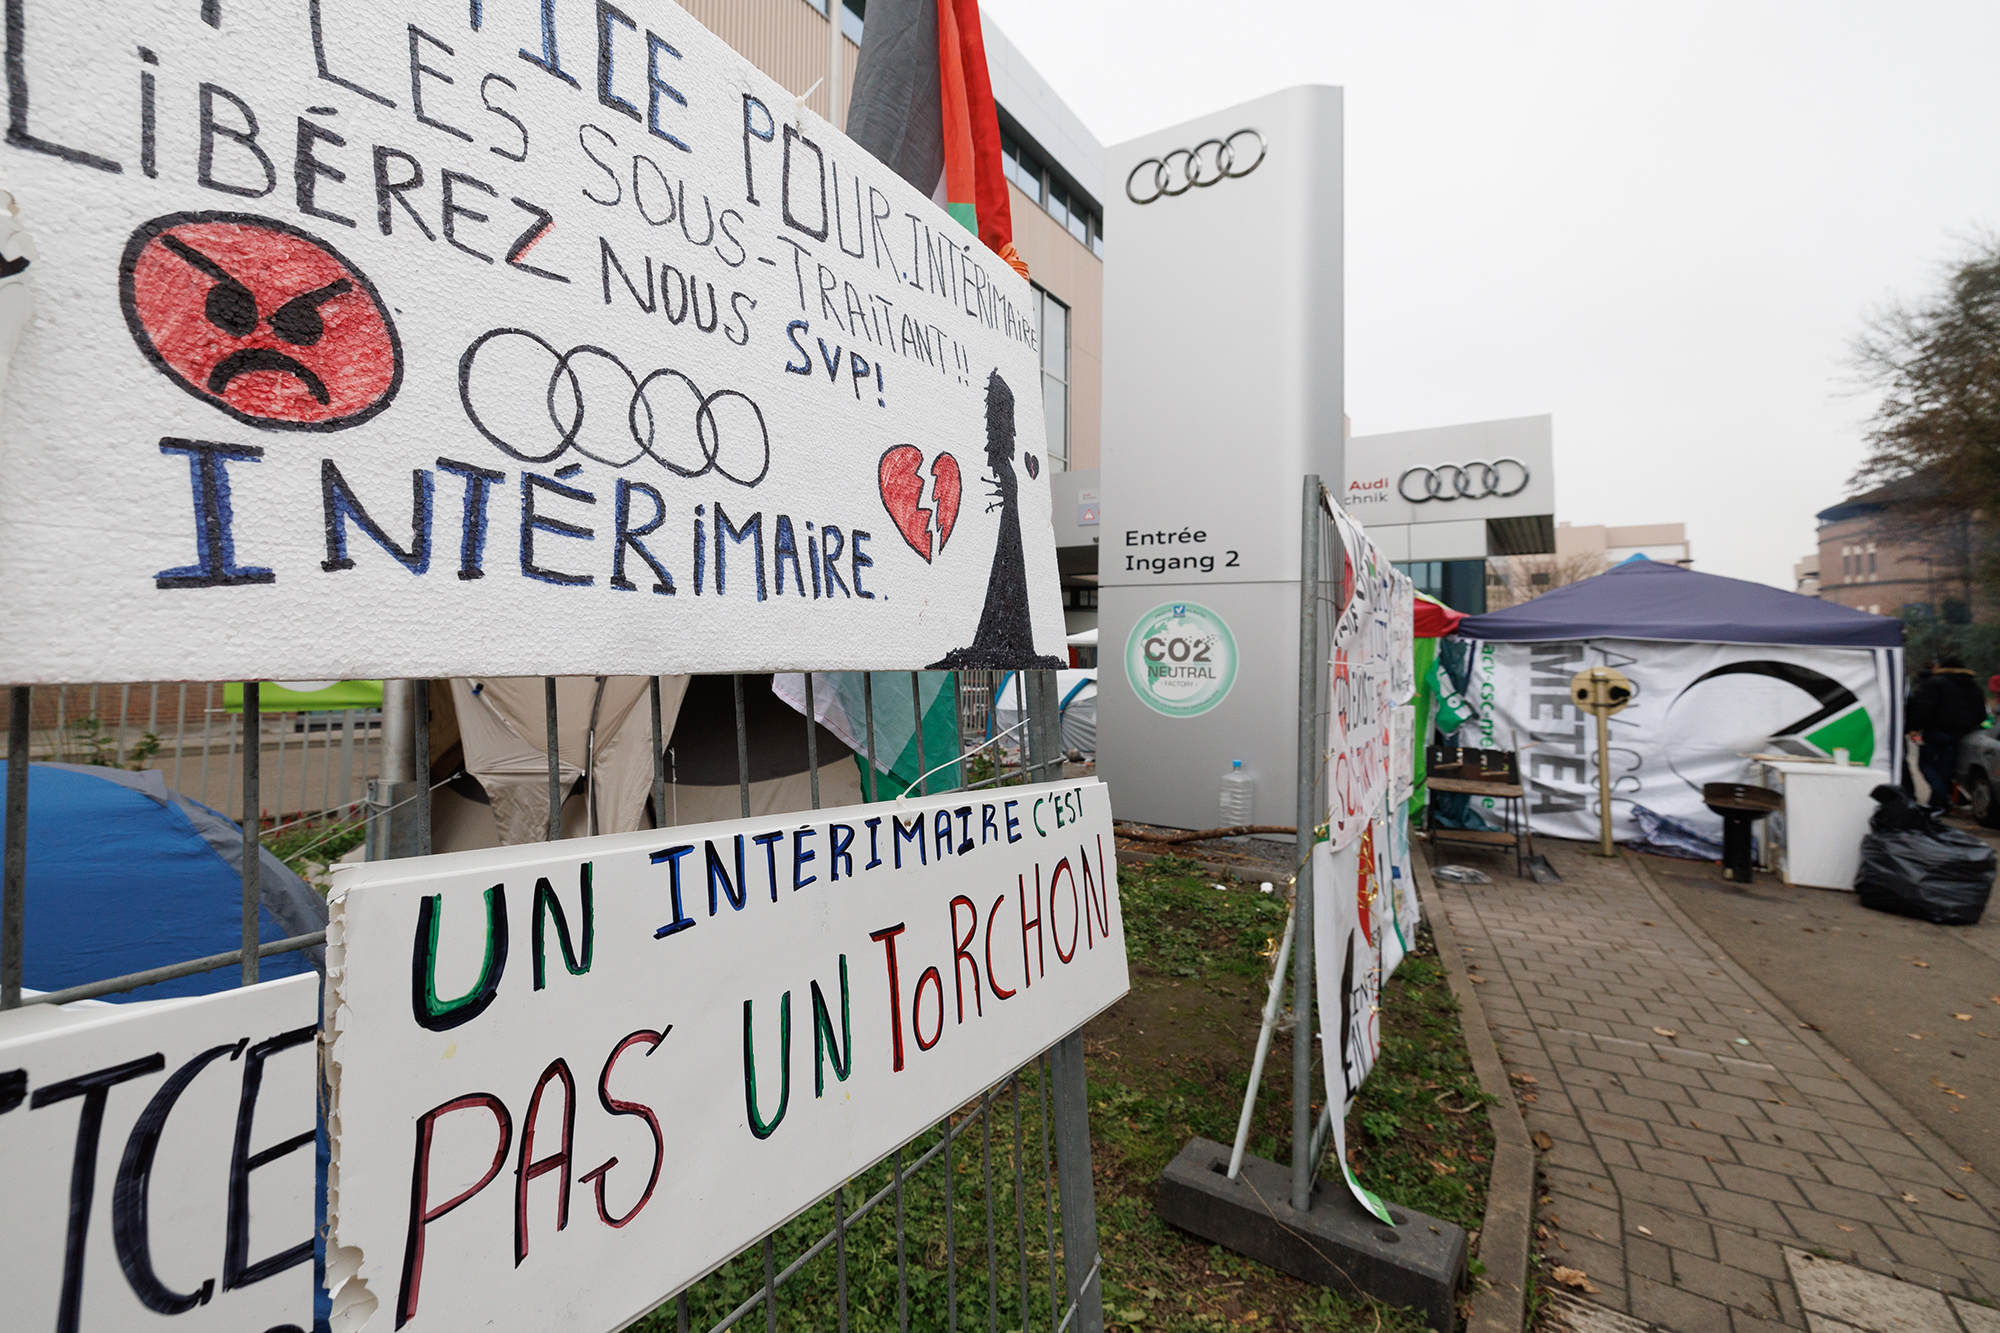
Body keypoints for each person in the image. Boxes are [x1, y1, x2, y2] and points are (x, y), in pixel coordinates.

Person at [1906, 655, 1989, 812]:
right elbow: (1982, 715)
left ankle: (1941, 795)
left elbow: (1924, 708)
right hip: (1961, 735)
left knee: (1926, 764)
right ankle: (1937, 802)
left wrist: (1914, 727)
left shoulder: (1934, 684)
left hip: (1935, 732)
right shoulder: (1974, 687)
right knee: (1945, 768)